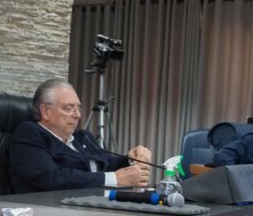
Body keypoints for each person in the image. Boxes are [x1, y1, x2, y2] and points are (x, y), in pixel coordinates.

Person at [9, 79, 152, 194]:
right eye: (69, 108)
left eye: (78, 108)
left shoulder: (81, 136)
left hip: (91, 205)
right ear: (45, 111)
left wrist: (130, 160)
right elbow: (51, 178)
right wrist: (115, 179)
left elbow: (106, 163)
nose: (77, 115)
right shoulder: (29, 133)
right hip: (52, 209)